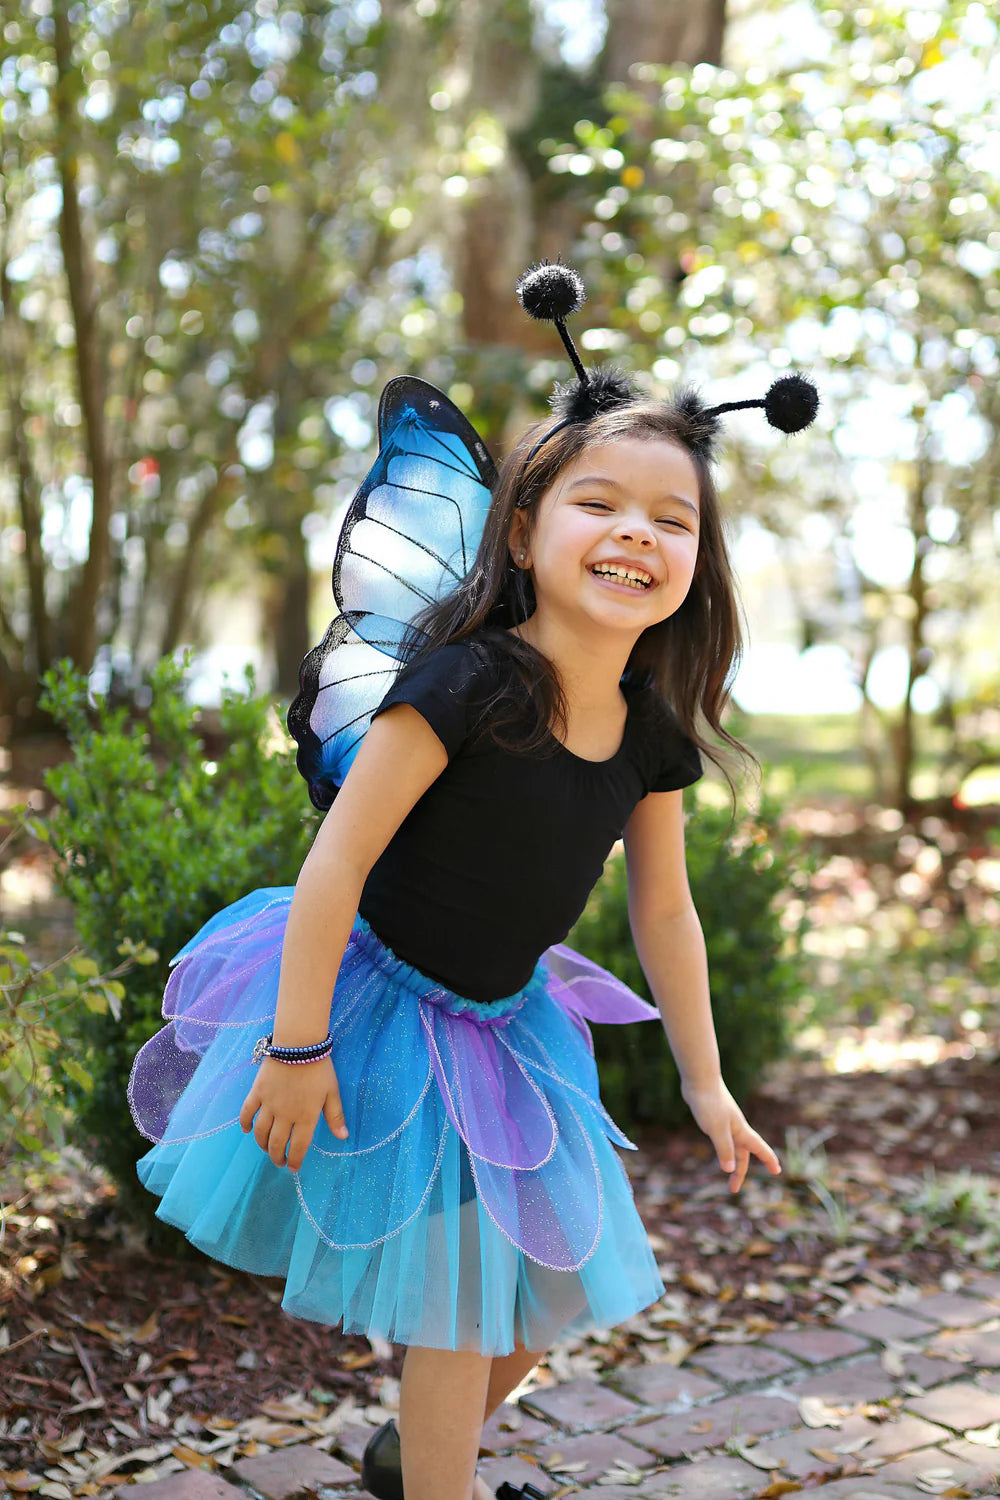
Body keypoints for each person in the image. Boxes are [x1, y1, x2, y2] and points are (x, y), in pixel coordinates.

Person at [128, 261, 816, 1500]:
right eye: (599, 503)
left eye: (672, 521)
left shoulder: (650, 732)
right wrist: (297, 1044)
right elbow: (337, 861)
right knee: (458, 1310)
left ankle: (410, 1461)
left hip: (508, 1032)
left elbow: (663, 908)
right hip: (376, 1013)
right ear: (523, 531)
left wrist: (706, 1080)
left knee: (550, 1290)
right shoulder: (464, 685)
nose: (637, 533)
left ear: (696, 561)